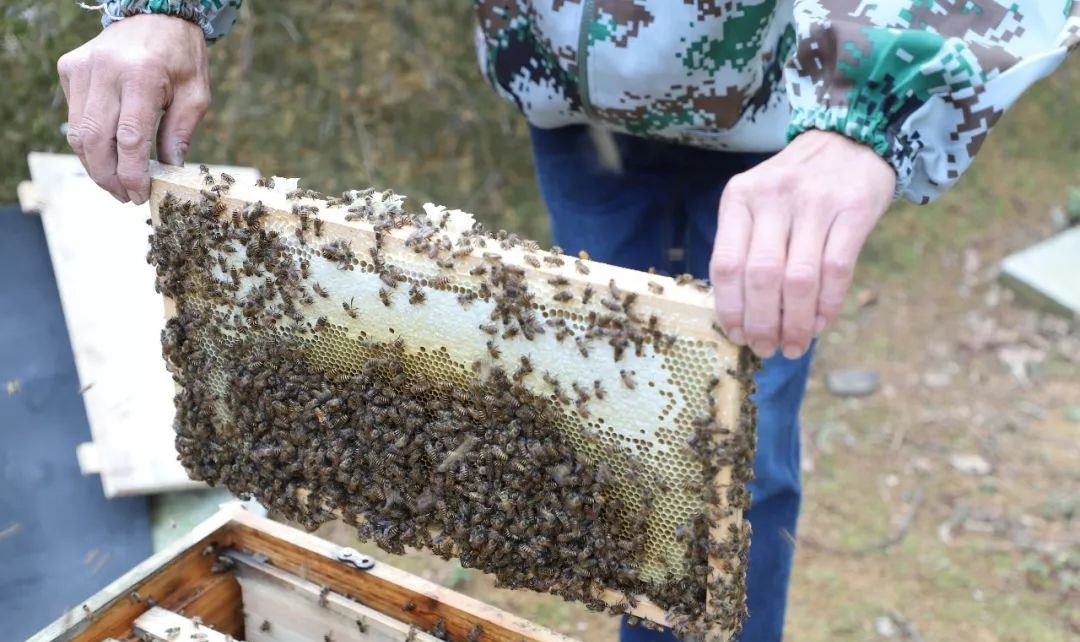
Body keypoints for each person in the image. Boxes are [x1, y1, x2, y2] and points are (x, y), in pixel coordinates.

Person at [57, 2, 1079, 640]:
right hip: (574, 111)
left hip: (792, 125)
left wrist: (879, 110)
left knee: (733, 463)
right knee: (610, 446)